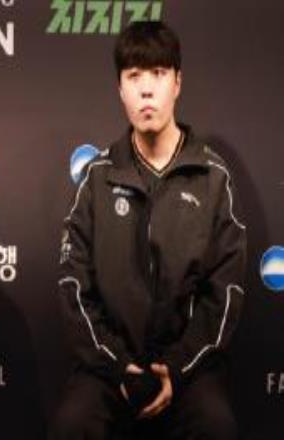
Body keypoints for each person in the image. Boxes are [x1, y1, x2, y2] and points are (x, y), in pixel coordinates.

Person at [51, 21, 246, 440]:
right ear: (120, 89)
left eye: (158, 73)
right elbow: (74, 286)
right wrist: (118, 366)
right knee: (71, 425)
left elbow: (225, 292)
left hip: (187, 373)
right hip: (110, 371)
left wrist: (176, 368)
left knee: (217, 427)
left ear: (177, 83)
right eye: (134, 76)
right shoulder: (97, 178)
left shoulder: (214, 178)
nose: (145, 90)